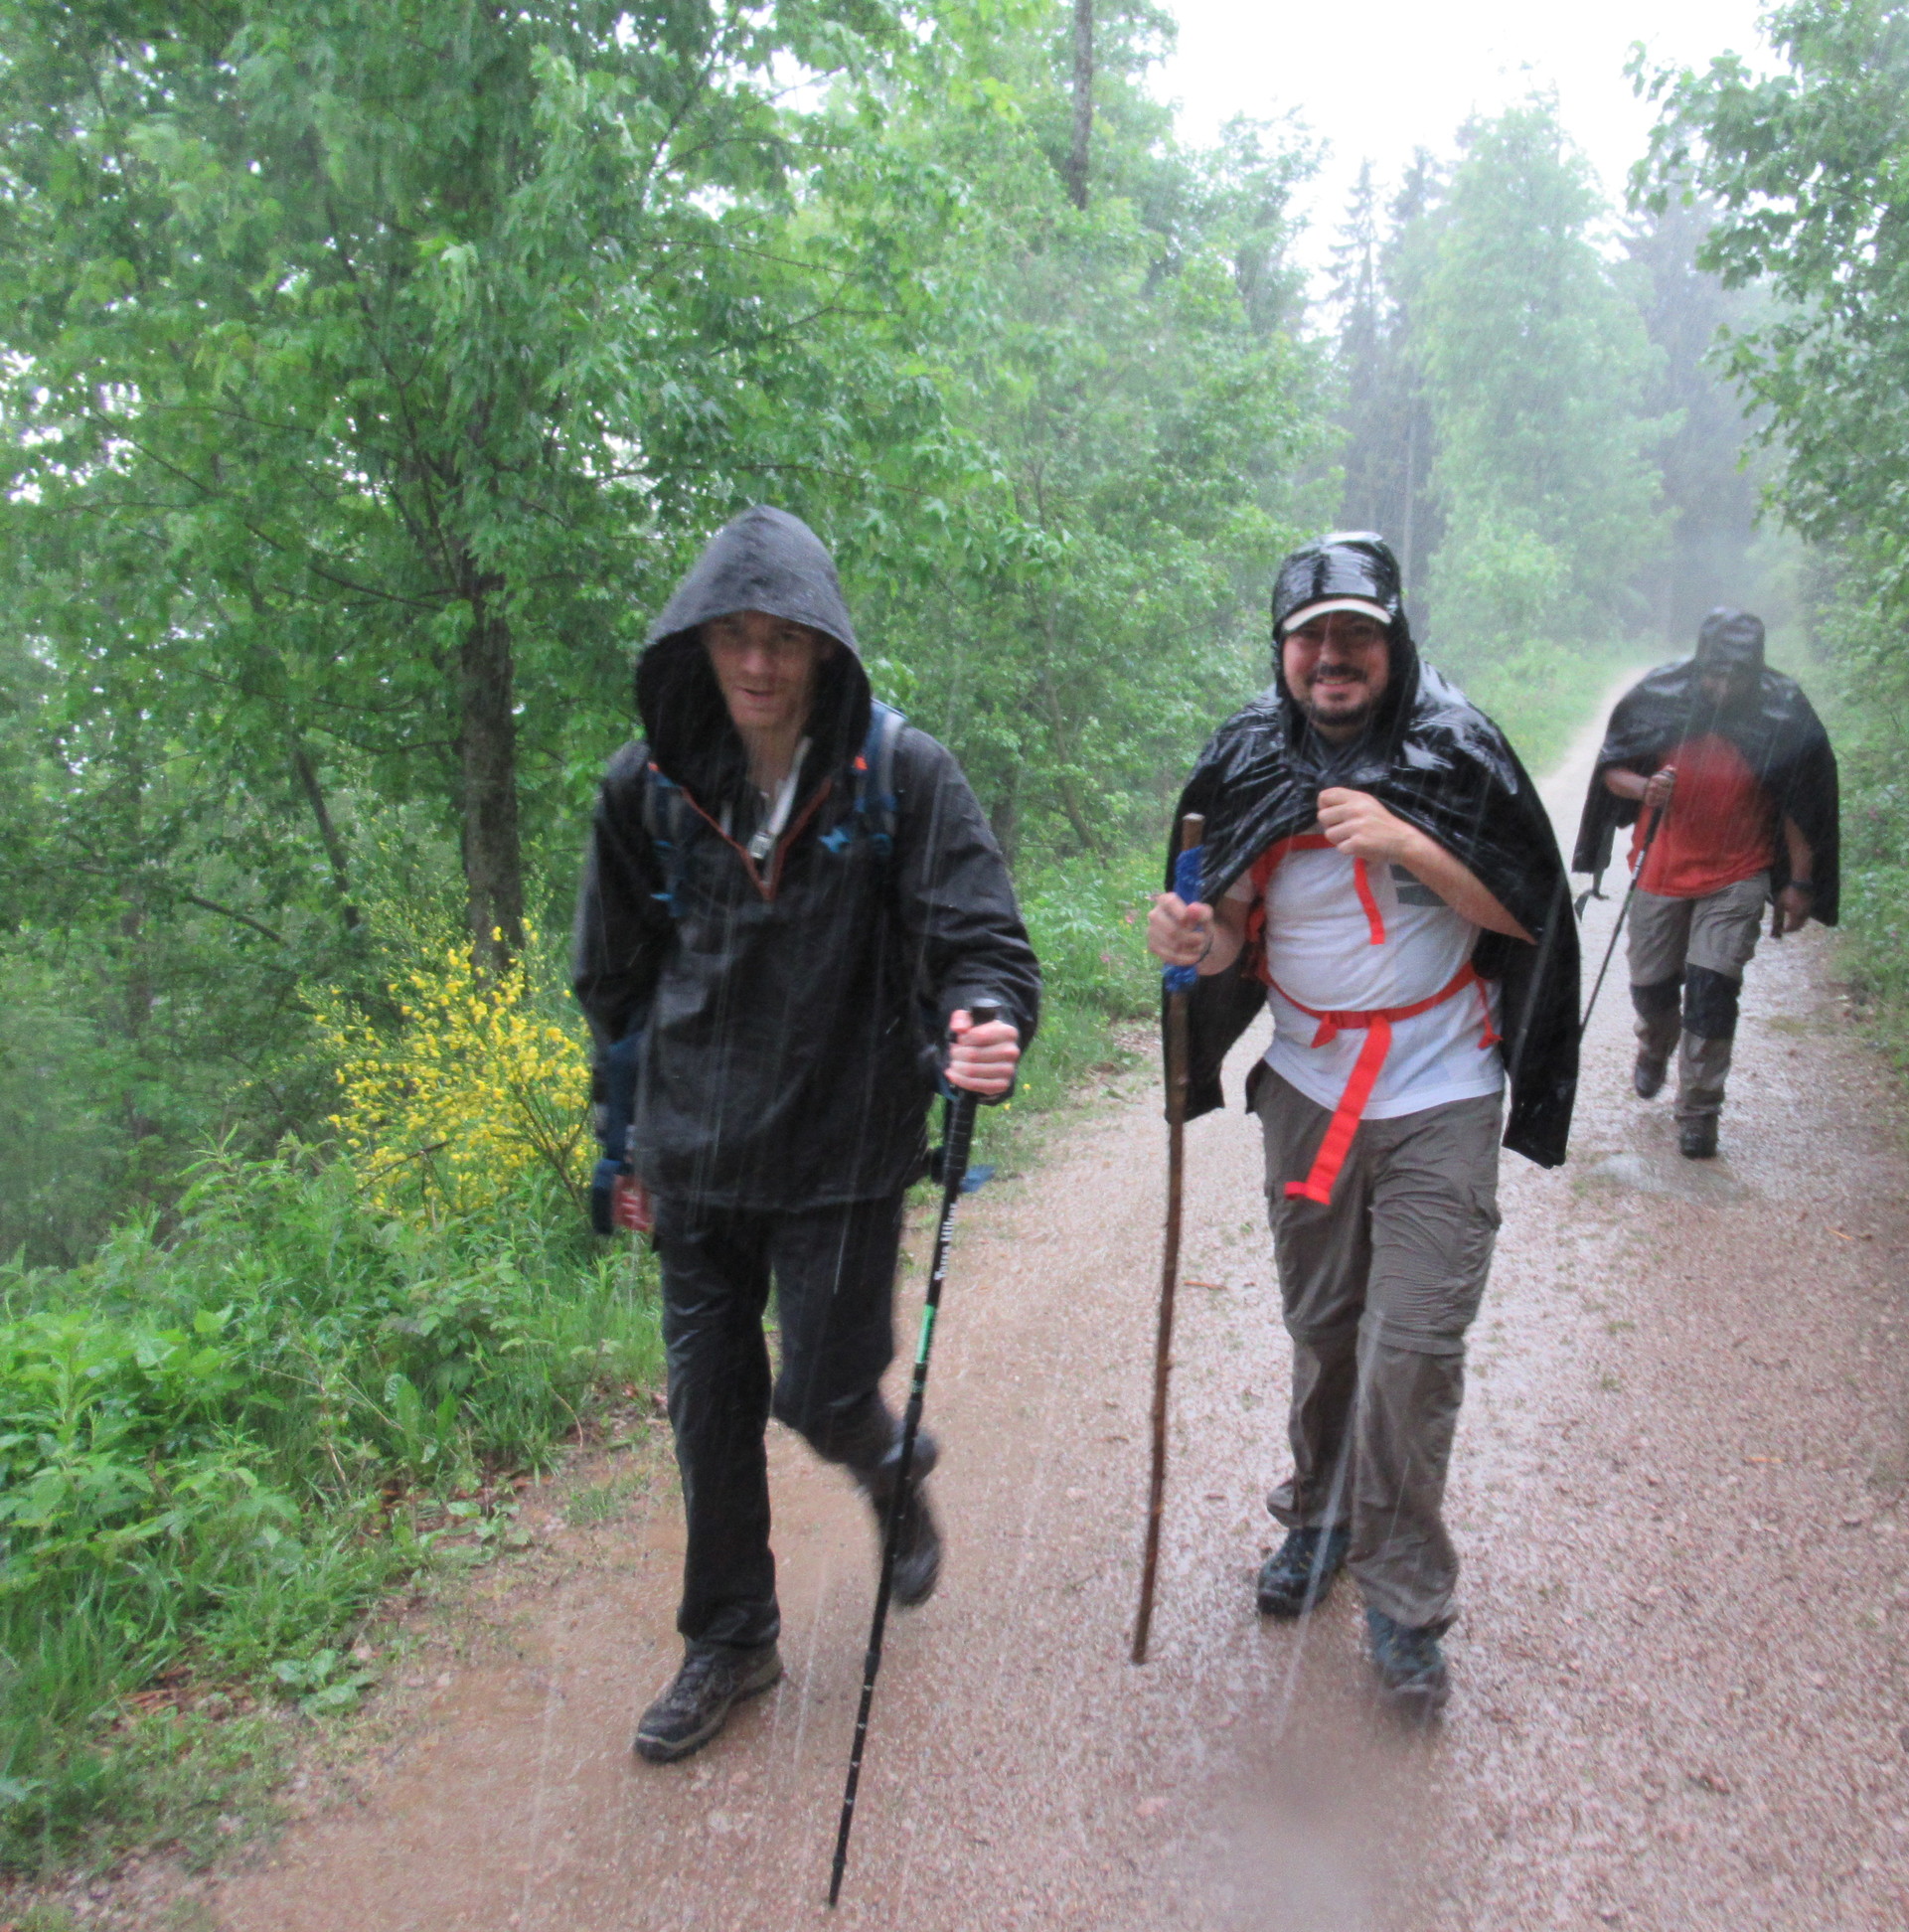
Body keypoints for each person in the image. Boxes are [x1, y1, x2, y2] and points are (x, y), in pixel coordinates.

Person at [574, 506, 1040, 1764]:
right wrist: (619, 1147)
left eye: (783, 638)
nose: (758, 663)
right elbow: (612, 982)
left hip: (842, 1149)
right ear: (698, 640)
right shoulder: (645, 789)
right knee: (708, 1407)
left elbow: (981, 945)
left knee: (823, 1394)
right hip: (692, 1154)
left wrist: (987, 1023)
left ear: (825, 646)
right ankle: (731, 1637)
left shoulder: (902, 775)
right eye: (735, 635)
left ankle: (886, 1466)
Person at [1146, 532, 1579, 1717]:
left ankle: (1404, 1598)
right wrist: (1193, 941)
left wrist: (1407, 842)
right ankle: (1322, 1517)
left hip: (1442, 1091)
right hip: (1309, 1091)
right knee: (1325, 1329)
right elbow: (1227, 932)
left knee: (1412, 1352)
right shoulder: (1247, 755)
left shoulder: (1455, 748)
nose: (1333, 656)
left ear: (1394, 642)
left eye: (1356, 635)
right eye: (1312, 637)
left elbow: (1529, 911)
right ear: (1282, 649)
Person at [1570, 607, 1839, 1161]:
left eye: (1736, 675)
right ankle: (1656, 1044)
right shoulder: (1662, 698)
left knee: (1713, 991)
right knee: (1651, 988)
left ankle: (1699, 1111)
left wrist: (1801, 883)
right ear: (1700, 664)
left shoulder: (1780, 712)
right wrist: (1645, 789)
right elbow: (1611, 770)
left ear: (1754, 670)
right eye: (1714, 673)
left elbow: (1799, 804)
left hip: (1737, 874)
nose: (1723, 686)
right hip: (1660, 871)